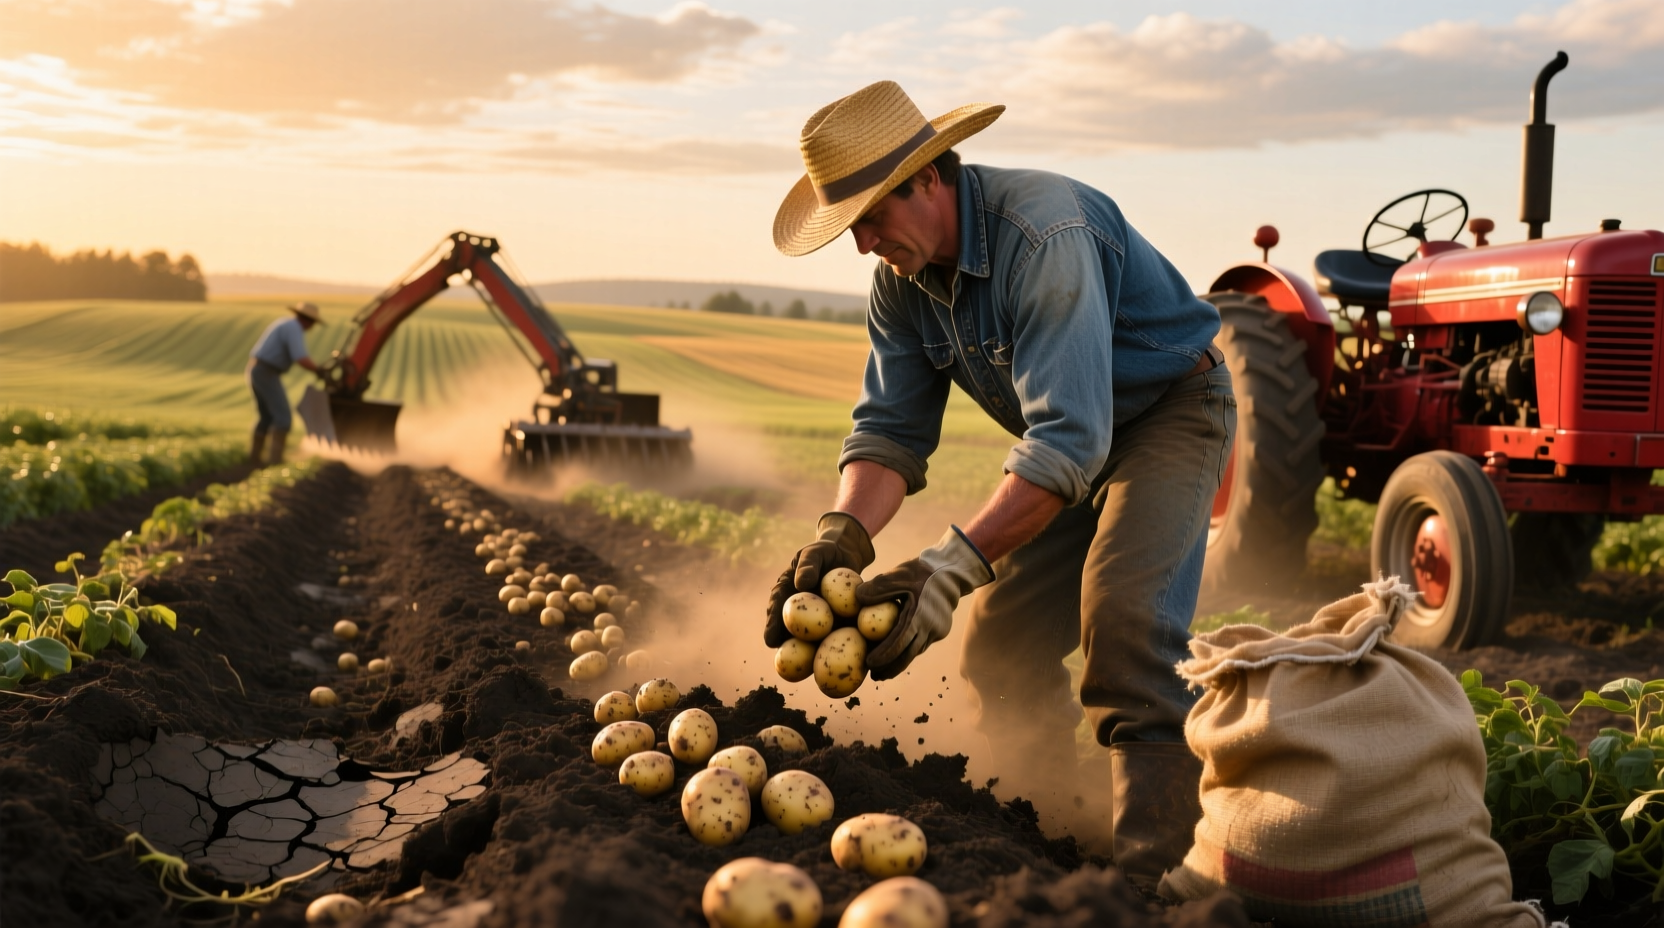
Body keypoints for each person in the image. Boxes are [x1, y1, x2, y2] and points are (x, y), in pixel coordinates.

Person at [764, 81, 1235, 886]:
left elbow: (1066, 439)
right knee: (1003, 647)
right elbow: (889, 434)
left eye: (870, 217)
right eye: (850, 226)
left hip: (1167, 415)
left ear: (926, 179)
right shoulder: (902, 284)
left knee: (1125, 627)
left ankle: (1165, 883)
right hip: (1073, 448)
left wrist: (946, 569)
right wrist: (839, 534)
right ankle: (1066, 822)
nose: (862, 243)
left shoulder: (1043, 234)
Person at [247, 301, 324, 464]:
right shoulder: (294, 328)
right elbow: (300, 357)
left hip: (257, 369)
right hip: (266, 372)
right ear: (308, 321)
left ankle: (253, 459)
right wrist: (319, 371)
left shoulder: (285, 323)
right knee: (283, 418)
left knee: (266, 417)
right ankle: (275, 462)